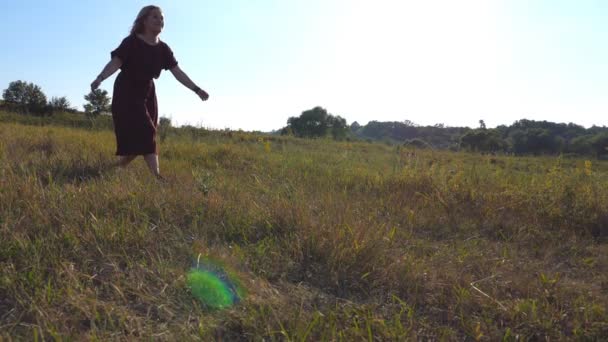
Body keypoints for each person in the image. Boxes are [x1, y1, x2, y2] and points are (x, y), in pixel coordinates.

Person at [91, 5, 208, 178]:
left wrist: (196, 89)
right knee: (147, 131)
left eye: (162, 18)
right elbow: (116, 63)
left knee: (147, 134)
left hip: (147, 93)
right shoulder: (131, 42)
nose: (160, 21)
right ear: (144, 20)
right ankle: (158, 177)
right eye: (155, 17)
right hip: (127, 90)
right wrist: (100, 78)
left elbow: (178, 72)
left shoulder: (163, 49)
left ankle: (116, 168)